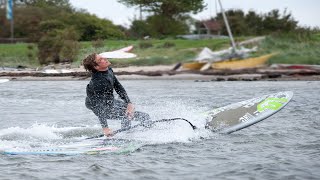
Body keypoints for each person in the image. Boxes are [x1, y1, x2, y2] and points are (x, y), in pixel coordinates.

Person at [82, 53, 150, 136]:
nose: (105, 58)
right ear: (96, 67)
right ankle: (126, 136)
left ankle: (128, 133)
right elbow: (99, 107)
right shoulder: (98, 82)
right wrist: (105, 128)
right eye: (100, 60)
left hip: (109, 101)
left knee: (131, 112)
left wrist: (129, 103)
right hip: (96, 105)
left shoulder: (108, 69)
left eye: (102, 57)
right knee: (140, 116)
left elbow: (118, 87)